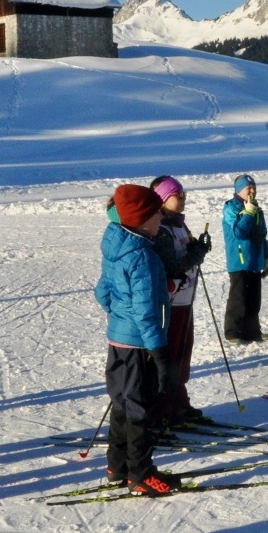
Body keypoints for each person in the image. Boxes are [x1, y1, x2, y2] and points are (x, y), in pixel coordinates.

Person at [95, 185, 180, 497]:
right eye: (156, 212)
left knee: (121, 402)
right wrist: (159, 351)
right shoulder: (142, 255)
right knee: (139, 407)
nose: (160, 216)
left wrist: (119, 317)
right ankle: (140, 474)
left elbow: (103, 291)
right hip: (139, 343)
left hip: (118, 339)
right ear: (143, 219)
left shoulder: (116, 243)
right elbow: (147, 310)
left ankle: (116, 466)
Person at [148, 176, 211, 425]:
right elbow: (172, 266)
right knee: (170, 356)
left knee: (183, 354)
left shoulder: (179, 225)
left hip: (185, 301)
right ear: (163, 198)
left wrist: (197, 246)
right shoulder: (161, 228)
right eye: (177, 194)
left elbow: (184, 255)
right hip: (170, 304)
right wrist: (197, 253)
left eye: (183, 193)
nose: (183, 198)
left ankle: (178, 402)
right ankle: (162, 407)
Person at [222, 174, 268, 343]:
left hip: (255, 260)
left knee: (253, 299)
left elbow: (262, 235)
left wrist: (266, 256)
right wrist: (248, 213)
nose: (252, 191)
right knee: (239, 297)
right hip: (239, 261)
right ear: (238, 190)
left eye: (254, 187)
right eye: (248, 188)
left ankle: (252, 331)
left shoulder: (256, 209)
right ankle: (232, 331)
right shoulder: (231, 208)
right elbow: (239, 233)